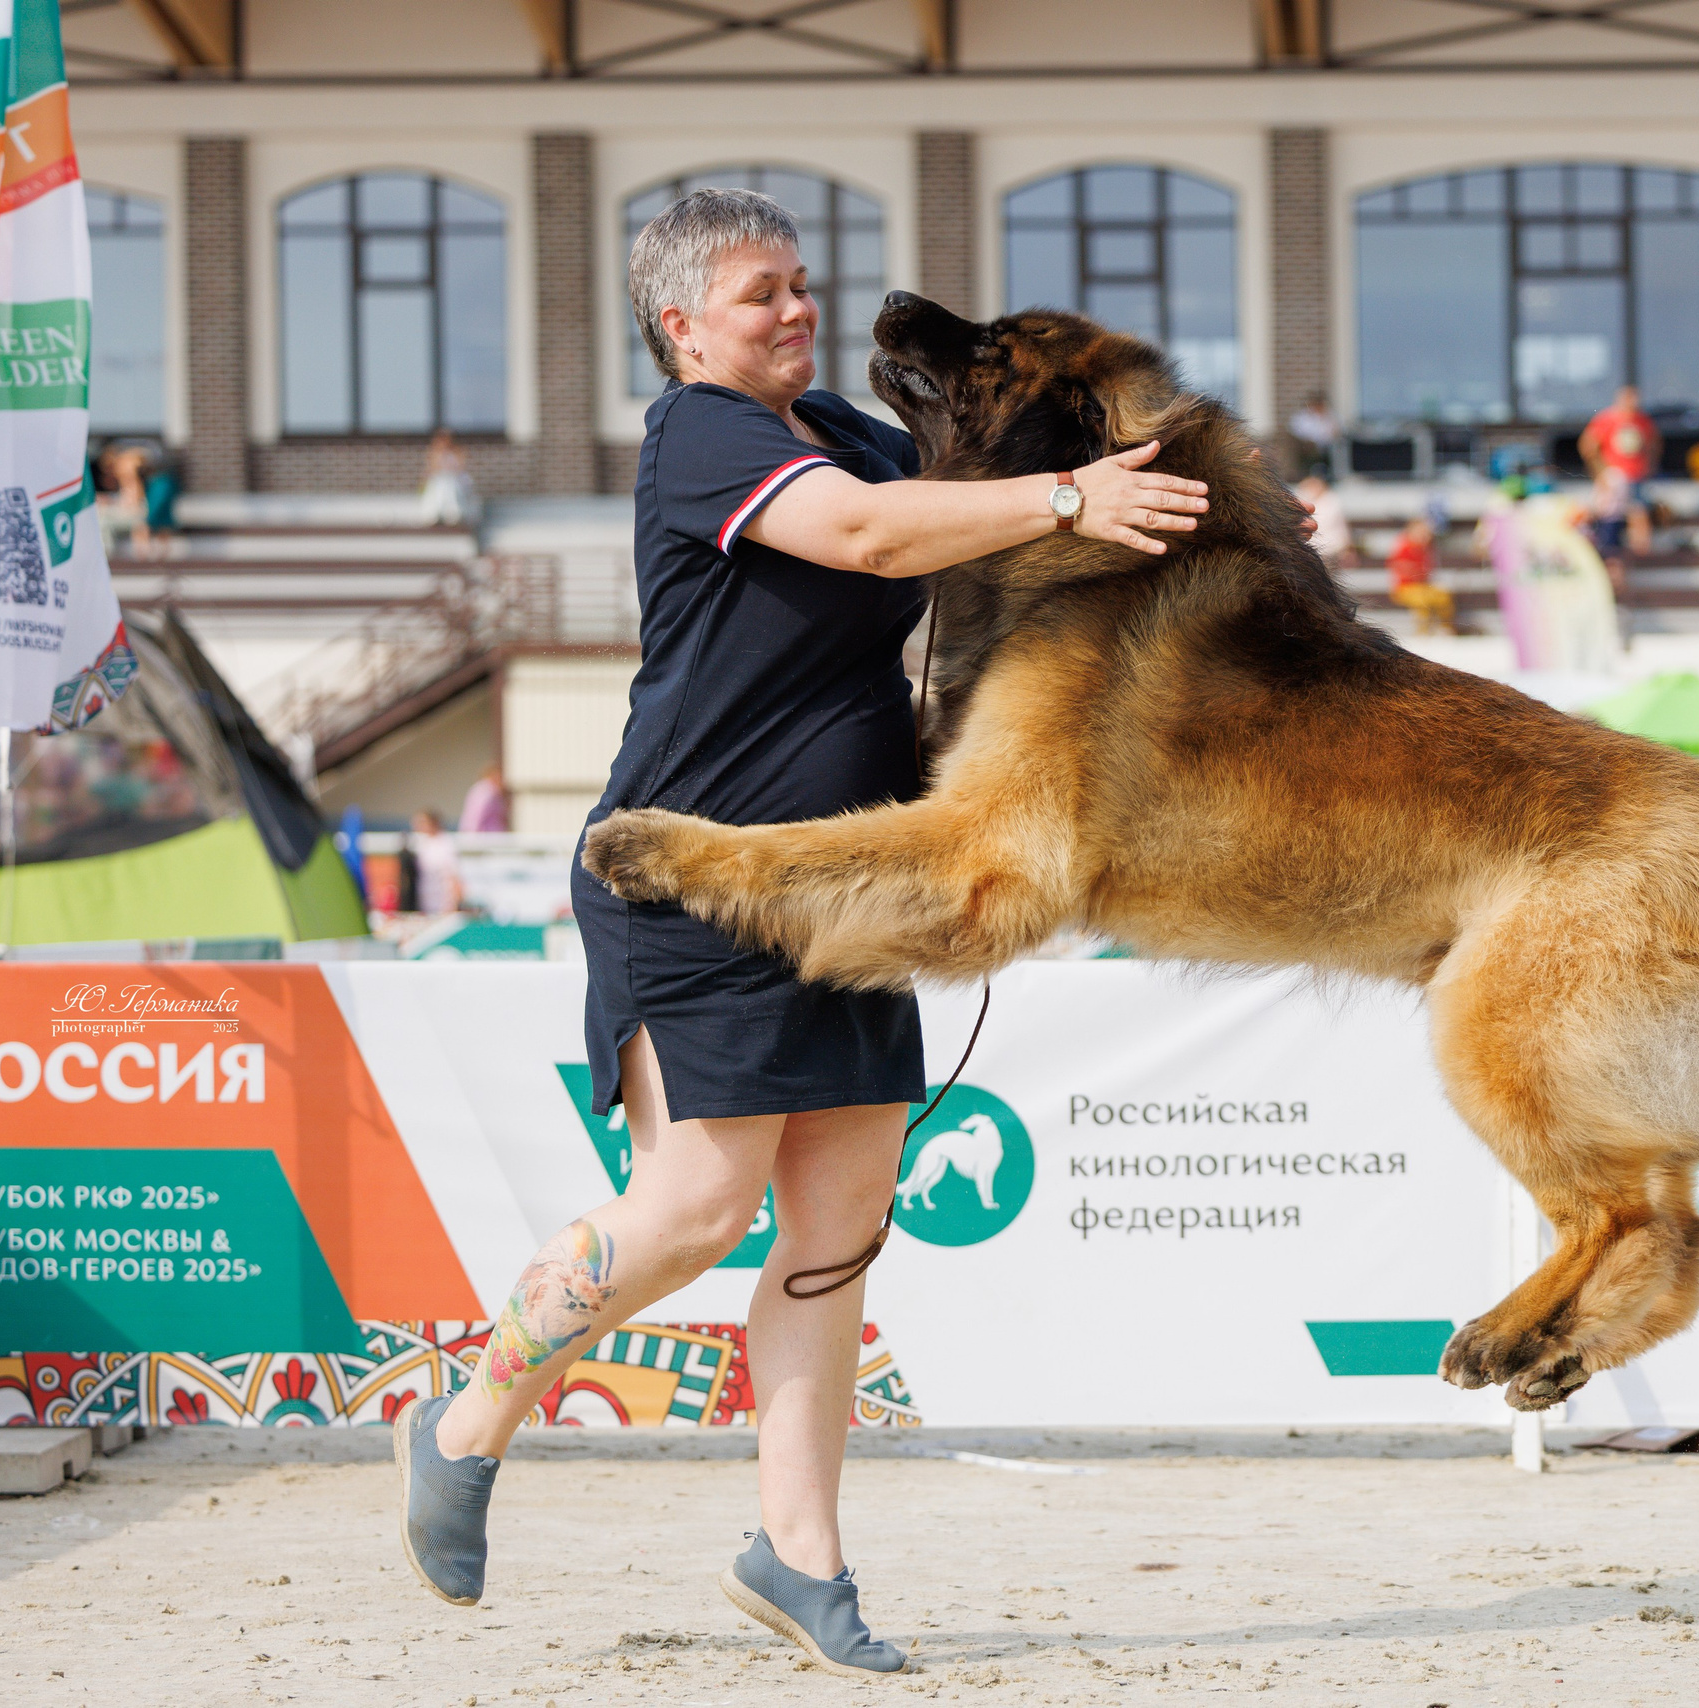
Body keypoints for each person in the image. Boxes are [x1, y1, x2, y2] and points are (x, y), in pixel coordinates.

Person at [393, 188, 1208, 1668]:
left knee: (842, 1223)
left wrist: (1213, 510)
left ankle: (799, 1556)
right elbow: (881, 541)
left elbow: (977, 518)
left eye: (800, 286)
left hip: (844, 887)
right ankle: (462, 1423)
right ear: (681, 325)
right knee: (698, 1211)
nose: (795, 312)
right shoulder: (703, 436)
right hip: (689, 877)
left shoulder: (838, 422)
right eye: (761, 293)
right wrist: (1070, 504)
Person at [1384, 515, 1454, 635]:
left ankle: (1445, 628)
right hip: (1406, 587)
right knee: (1422, 600)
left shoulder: (1426, 549)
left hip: (1422, 586)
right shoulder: (1404, 547)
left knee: (1443, 596)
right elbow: (1400, 568)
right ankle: (1422, 632)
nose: (1425, 536)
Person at [1578, 384, 1658, 488]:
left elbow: (1654, 445)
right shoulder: (1605, 419)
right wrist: (1601, 473)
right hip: (1615, 480)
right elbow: (1588, 448)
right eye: (1628, 398)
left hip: (1639, 478)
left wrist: (1649, 468)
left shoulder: (1643, 421)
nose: (1633, 402)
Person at [410, 808, 463, 915]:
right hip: (424, 900)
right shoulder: (421, 843)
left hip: (442, 901)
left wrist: (452, 903)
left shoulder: (446, 843)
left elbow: (453, 875)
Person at [1296, 473, 1354, 569]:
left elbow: (1341, 527)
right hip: (1311, 551)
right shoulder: (1305, 499)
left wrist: (1348, 549)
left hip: (1331, 550)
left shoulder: (1332, 501)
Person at [422, 428, 478, 526]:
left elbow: (460, 468)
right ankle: (436, 514)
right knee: (440, 485)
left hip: (455, 480)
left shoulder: (457, 452)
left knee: (449, 485)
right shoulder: (434, 453)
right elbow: (431, 469)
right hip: (440, 481)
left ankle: (453, 513)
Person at [459, 762, 510, 834]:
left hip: (491, 836)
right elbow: (476, 816)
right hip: (485, 837)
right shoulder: (486, 792)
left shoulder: (493, 792)